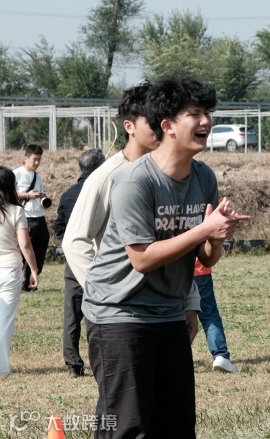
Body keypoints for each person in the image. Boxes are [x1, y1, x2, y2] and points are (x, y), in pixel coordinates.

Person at [81, 78, 249, 438]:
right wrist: (204, 230)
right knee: (128, 427)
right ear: (168, 125)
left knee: (175, 426)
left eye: (208, 113)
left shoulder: (203, 177)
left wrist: (216, 237)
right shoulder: (134, 181)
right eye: (195, 114)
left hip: (168, 313)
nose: (205, 121)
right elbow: (142, 259)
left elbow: (205, 256)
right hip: (119, 313)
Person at [62, 84, 202, 356]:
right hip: (122, 315)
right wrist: (106, 294)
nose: (160, 127)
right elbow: (75, 241)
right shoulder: (108, 176)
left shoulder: (170, 176)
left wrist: (190, 301)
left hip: (165, 311)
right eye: (151, 121)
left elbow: (174, 243)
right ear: (129, 127)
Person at [54, 147, 106, 378]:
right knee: (101, 311)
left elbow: (59, 228)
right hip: (103, 260)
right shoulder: (105, 191)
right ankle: (101, 360)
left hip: (74, 260)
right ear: (100, 166)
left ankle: (73, 364)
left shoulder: (67, 195)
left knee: (72, 314)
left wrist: (71, 245)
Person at [0, 167, 39, 377]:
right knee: (4, 322)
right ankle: (3, 369)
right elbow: (25, 244)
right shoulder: (16, 211)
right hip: (9, 269)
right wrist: (34, 269)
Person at [14, 144, 50, 291]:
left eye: (39, 159)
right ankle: (20, 282)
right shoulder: (16, 174)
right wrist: (27, 195)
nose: (37, 162)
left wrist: (42, 198)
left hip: (40, 216)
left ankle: (31, 283)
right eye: (34, 159)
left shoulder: (38, 177)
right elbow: (9, 195)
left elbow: (39, 194)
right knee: (24, 251)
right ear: (26, 158)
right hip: (25, 217)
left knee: (40, 250)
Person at [194, 257, 237, 373]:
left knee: (176, 316)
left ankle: (175, 356)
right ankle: (220, 356)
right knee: (209, 316)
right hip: (200, 271)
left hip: (175, 272)